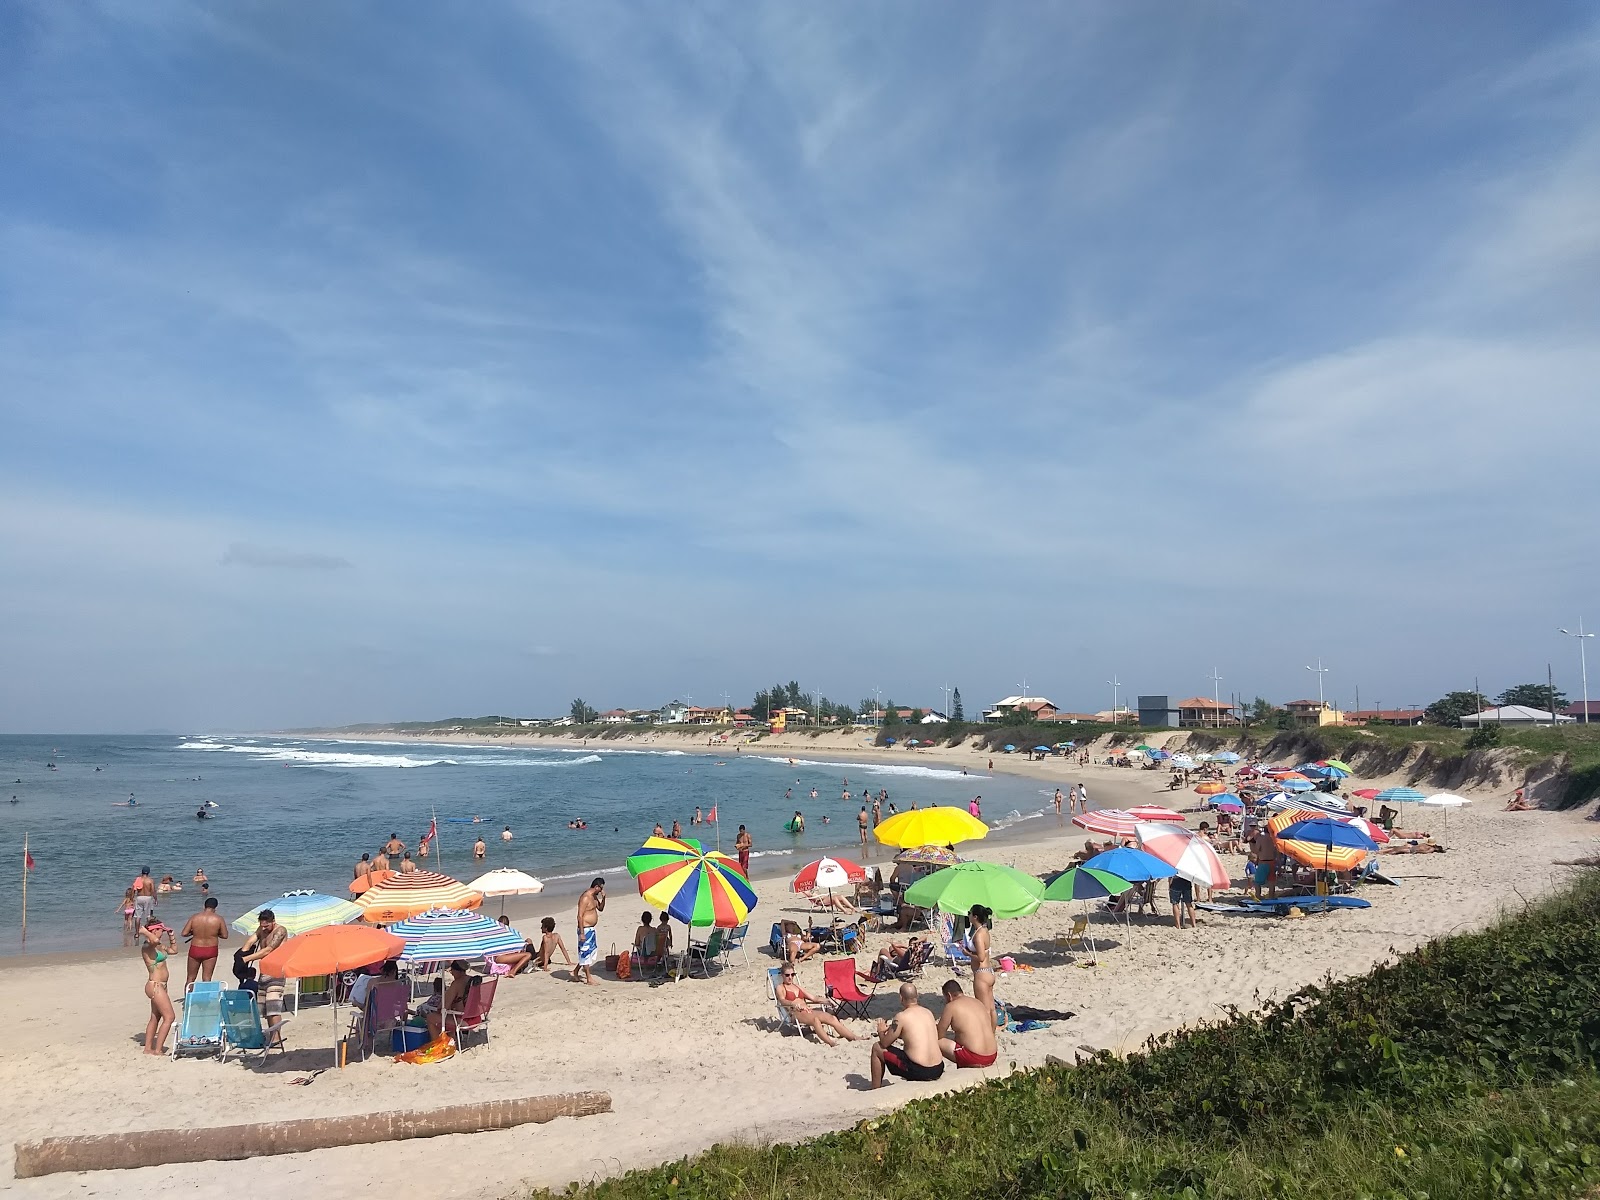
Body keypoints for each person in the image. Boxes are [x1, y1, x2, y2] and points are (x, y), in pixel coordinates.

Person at [870, 983, 944, 1087]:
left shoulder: (901, 1017)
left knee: (877, 1047)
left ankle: (875, 1089)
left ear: (901, 998)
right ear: (917, 996)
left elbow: (885, 1043)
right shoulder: (928, 1012)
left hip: (921, 1070)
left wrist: (881, 1031)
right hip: (938, 1068)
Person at [240, 909, 289, 1046]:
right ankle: (271, 1035)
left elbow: (268, 950)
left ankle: (277, 1038)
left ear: (273, 921)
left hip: (277, 971)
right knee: (265, 1008)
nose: (264, 928)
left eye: (266, 925)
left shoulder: (280, 931)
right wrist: (241, 954)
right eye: (262, 925)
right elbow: (251, 941)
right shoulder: (261, 929)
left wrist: (247, 959)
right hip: (264, 972)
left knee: (273, 1006)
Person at [775, 965, 859, 1046]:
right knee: (816, 1020)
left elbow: (814, 998)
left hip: (808, 1010)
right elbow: (782, 1001)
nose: (790, 977)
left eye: (792, 974)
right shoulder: (780, 987)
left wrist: (827, 1001)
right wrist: (792, 1003)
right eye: (787, 975)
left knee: (832, 1018)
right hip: (795, 1013)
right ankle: (830, 1042)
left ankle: (854, 1037)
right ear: (782, 975)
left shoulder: (797, 986)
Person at [138, 916, 177, 1055]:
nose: (163, 933)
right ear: (155, 931)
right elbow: (154, 940)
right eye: (161, 930)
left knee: (156, 1017)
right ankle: (158, 1049)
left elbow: (174, 950)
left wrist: (171, 935)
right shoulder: (148, 946)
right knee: (170, 1017)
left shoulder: (159, 946)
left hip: (162, 985)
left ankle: (148, 1049)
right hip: (155, 985)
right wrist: (144, 931)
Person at [937, 980, 998, 1068]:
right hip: (993, 1055)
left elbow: (940, 1035)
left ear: (949, 995)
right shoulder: (978, 1002)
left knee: (936, 1041)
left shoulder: (951, 1006)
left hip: (975, 1057)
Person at [180, 895, 230, 986]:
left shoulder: (195, 917)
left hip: (196, 948)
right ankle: (205, 998)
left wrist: (193, 933)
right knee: (207, 978)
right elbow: (225, 935)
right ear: (215, 908)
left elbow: (184, 933)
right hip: (211, 949)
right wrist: (215, 934)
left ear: (204, 906)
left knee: (191, 978)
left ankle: (188, 998)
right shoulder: (218, 919)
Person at [575, 877, 605, 984]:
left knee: (591, 951)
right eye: (601, 888)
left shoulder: (594, 897)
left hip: (591, 929)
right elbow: (579, 916)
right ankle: (588, 978)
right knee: (585, 953)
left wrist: (604, 898)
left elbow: (600, 908)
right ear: (596, 887)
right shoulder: (585, 897)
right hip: (585, 929)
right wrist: (582, 933)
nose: (601, 890)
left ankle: (575, 971)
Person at [965, 905, 995, 1013]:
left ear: (975, 917)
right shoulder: (984, 930)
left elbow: (981, 958)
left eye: (970, 913)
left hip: (981, 973)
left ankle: (986, 1030)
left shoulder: (978, 935)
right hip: (989, 971)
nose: (968, 915)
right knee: (991, 1009)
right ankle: (991, 1030)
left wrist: (967, 953)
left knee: (984, 1009)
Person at [1248, 827, 1277, 900]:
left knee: (1257, 881)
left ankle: (1258, 896)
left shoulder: (1261, 839)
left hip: (1263, 861)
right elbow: (1276, 851)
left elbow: (1257, 850)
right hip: (1272, 861)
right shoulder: (1274, 839)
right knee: (1271, 881)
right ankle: (1271, 896)